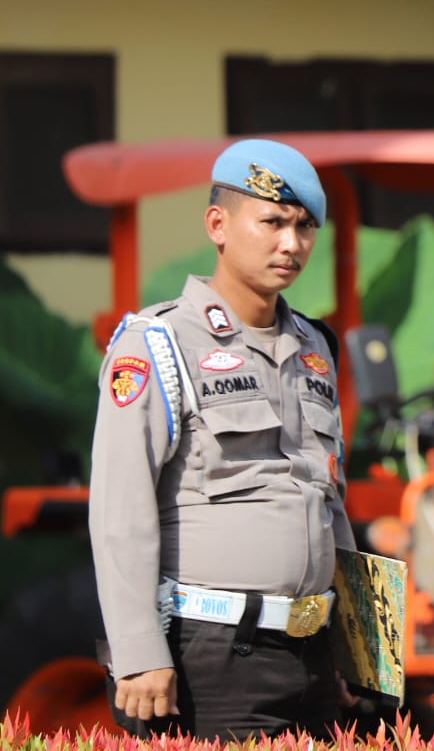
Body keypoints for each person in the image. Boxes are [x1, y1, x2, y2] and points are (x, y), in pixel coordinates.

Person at [88, 138, 354, 739]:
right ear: (218, 225)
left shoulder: (315, 348)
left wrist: (354, 651)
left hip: (311, 653)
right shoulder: (157, 343)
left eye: (305, 226)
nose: (292, 243)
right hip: (208, 656)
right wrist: (139, 652)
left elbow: (330, 504)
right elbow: (119, 511)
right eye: (273, 222)